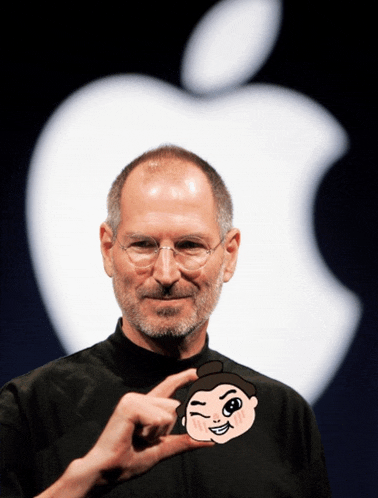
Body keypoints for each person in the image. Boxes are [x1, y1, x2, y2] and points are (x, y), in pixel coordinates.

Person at [0, 145, 331, 497]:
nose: (166, 273)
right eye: (143, 244)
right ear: (108, 250)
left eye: (190, 245)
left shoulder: (283, 414)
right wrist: (84, 478)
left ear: (229, 255)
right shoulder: (28, 408)